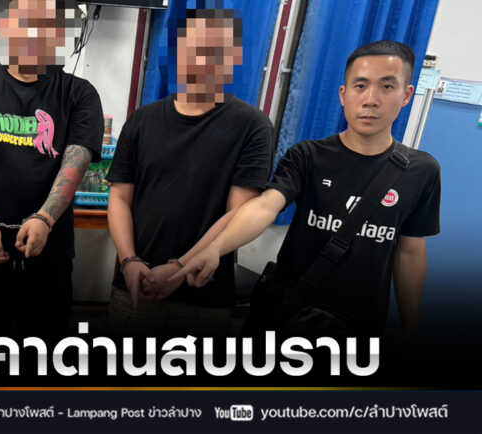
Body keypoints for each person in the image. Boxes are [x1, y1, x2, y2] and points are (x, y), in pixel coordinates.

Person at [174, 40, 441, 337]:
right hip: (287, 315)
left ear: (407, 95)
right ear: (343, 94)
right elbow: (265, 206)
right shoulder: (307, 156)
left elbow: (411, 252)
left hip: (359, 324)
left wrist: (411, 325)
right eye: (360, 86)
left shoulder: (422, 171)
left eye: (387, 87)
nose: (371, 99)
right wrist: (216, 249)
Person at [106, 6, 274, 335]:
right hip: (135, 285)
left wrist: (180, 269)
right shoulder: (142, 120)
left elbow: (239, 213)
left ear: (233, 57)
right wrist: (129, 261)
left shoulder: (252, 127)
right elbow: (120, 198)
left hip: (204, 293)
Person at [0, 0, 104, 337]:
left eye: (45, 25)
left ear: (58, 34)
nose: (33, 33)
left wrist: (44, 219)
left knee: (46, 347)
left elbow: (75, 162)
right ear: (6, 27)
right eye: (24, 22)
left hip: (51, 247)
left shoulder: (80, 94)